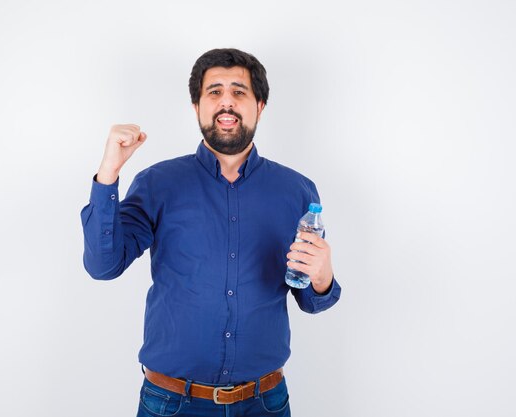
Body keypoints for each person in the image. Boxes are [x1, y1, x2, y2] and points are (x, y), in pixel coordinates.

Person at [81, 48, 342, 417]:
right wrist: (108, 173)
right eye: (214, 92)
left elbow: (313, 299)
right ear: (197, 106)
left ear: (260, 105)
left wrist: (322, 276)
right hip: (171, 403)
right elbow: (102, 265)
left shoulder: (297, 191)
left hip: (264, 403)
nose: (227, 103)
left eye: (239, 92)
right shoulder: (158, 183)